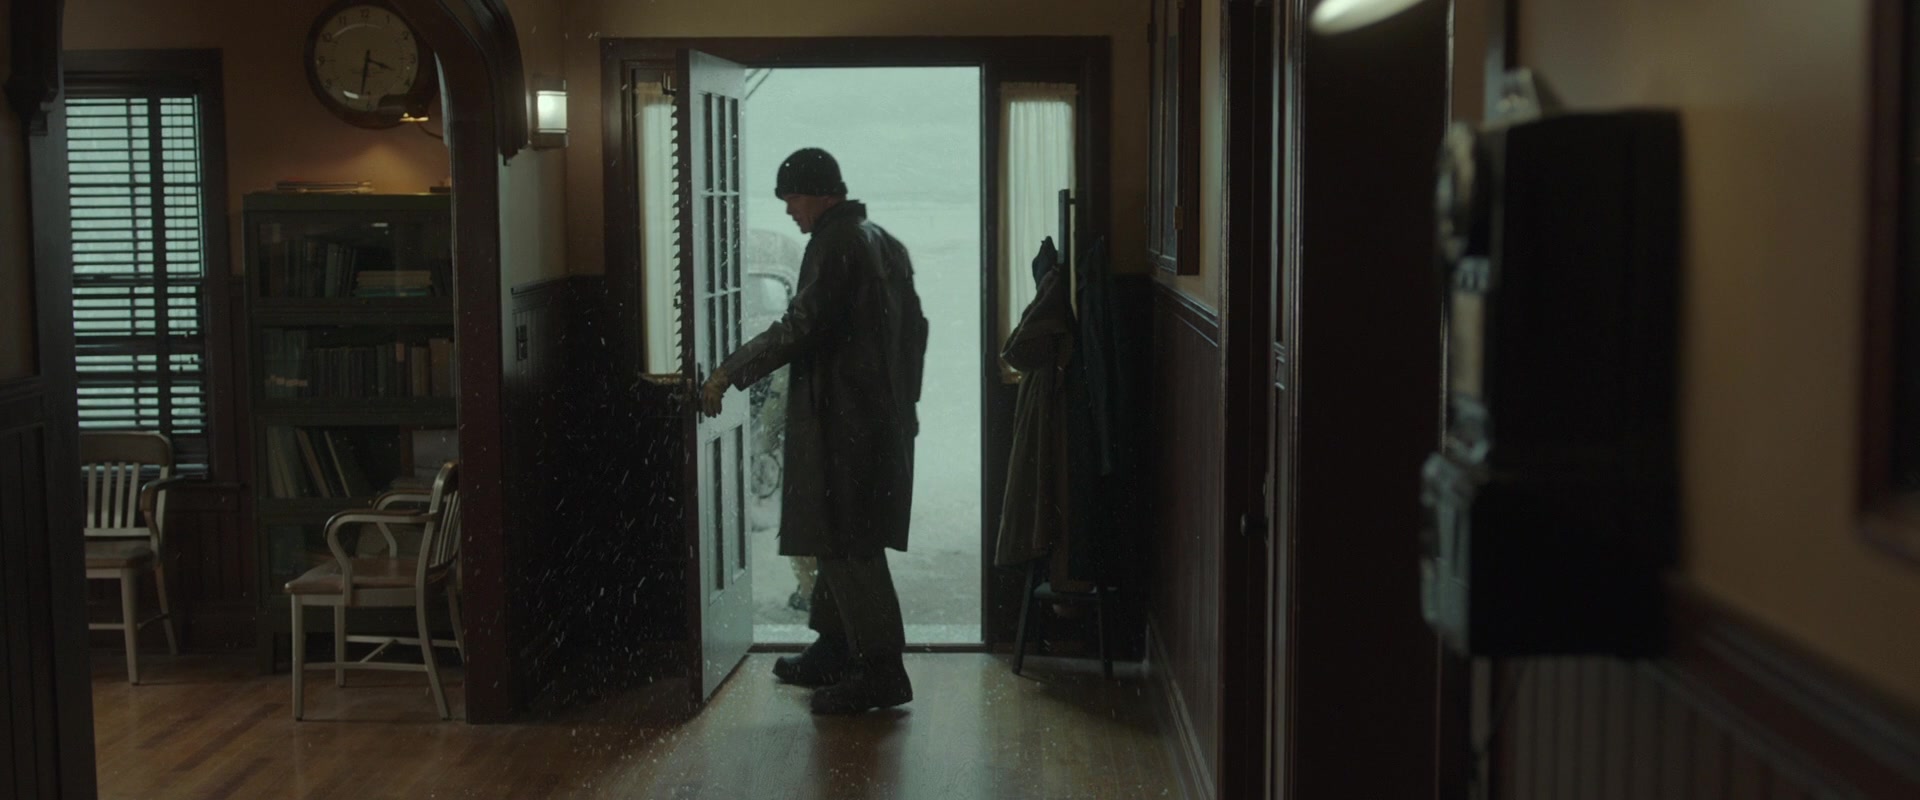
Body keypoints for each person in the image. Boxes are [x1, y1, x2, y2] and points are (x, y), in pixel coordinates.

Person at [700, 147, 929, 715]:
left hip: (845, 422)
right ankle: (835, 647)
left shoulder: (836, 244)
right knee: (839, 537)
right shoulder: (881, 241)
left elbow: (799, 326)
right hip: (873, 420)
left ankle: (881, 670)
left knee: (851, 546)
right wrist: (904, 404)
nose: (788, 210)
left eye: (794, 198)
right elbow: (916, 333)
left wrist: (730, 371)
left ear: (823, 194)